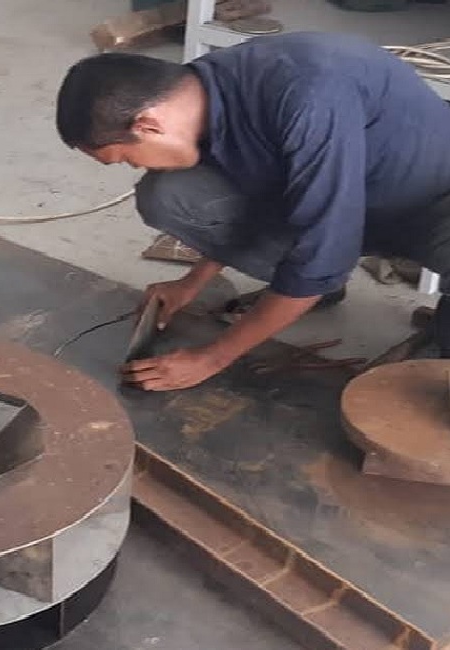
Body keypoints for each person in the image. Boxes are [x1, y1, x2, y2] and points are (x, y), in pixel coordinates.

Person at [55, 32, 450, 392]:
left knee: (433, 399)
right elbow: (258, 189)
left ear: (148, 125)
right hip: (348, 197)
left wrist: (212, 357)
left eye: (128, 158)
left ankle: (436, 339)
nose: (136, 166)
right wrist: (193, 282)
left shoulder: (305, 95)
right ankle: (315, 292)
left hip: (432, 202)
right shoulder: (201, 95)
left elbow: (323, 252)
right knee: (168, 193)